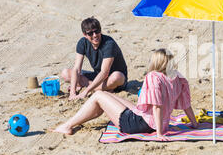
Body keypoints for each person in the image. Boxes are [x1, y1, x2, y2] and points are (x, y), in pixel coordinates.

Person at [52, 49, 199, 141]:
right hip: (152, 121)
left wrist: (159, 133)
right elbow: (186, 105)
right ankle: (74, 122)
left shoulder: (154, 77)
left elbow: (157, 106)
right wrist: (194, 124)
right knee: (103, 94)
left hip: (138, 124)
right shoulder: (178, 78)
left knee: (97, 96)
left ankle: (67, 125)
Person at [61, 17, 128, 100]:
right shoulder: (83, 43)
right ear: (85, 35)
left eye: (97, 31)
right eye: (90, 33)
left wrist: (86, 91)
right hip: (98, 76)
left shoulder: (109, 44)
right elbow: (77, 69)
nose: (95, 35)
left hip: (114, 79)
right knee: (66, 73)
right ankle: (101, 88)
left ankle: (89, 86)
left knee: (117, 77)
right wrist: (72, 93)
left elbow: (104, 73)